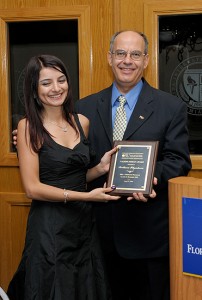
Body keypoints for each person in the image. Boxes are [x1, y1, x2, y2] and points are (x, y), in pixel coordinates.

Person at [75, 31, 192, 300]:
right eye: (120, 53)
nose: (127, 61)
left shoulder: (170, 106)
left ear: (146, 60)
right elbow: (73, 158)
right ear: (109, 57)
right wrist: (29, 135)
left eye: (135, 54)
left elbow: (178, 160)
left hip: (148, 238)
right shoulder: (85, 107)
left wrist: (151, 178)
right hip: (97, 238)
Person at [7, 54, 121, 300]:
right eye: (46, 83)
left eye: (61, 80)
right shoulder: (28, 127)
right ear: (34, 90)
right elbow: (32, 189)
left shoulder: (82, 122)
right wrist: (86, 196)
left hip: (83, 226)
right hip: (49, 227)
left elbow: (76, 176)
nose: (56, 88)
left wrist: (99, 169)